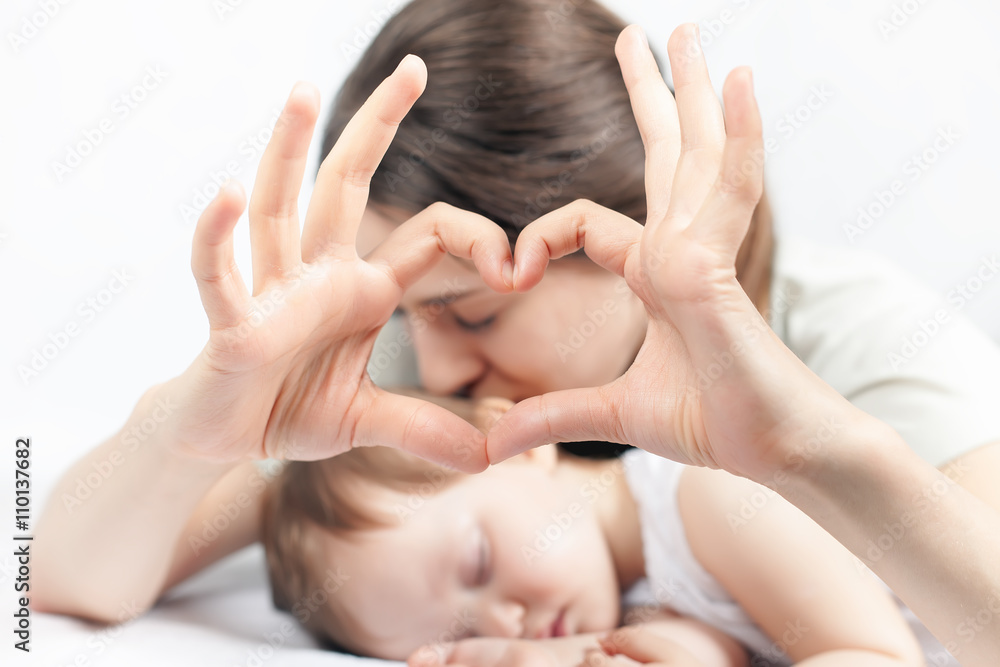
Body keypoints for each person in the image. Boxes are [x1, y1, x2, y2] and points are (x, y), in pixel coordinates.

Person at [32, 1, 1000, 665]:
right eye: (409, 309)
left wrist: (804, 449)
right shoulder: (420, 375)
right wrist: (188, 425)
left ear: (619, 240)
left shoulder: (870, 346)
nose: (438, 363)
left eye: (474, 310)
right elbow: (57, 577)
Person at [260, 404, 927, 666]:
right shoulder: (623, 596)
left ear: (514, 446)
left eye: (478, 561)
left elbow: (878, 657)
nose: (505, 621)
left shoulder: (710, 492)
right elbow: (720, 647)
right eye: (465, 636)